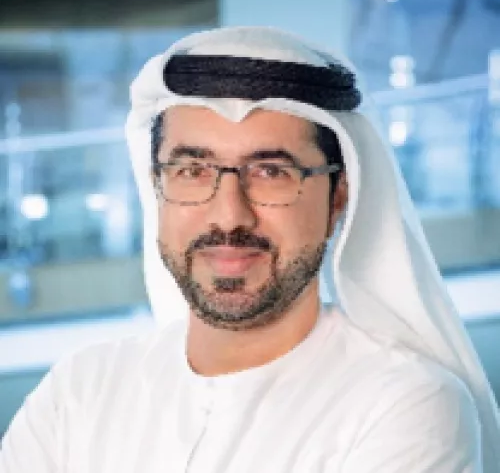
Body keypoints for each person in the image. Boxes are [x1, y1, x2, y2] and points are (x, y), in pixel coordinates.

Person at [1, 26, 499, 472]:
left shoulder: (405, 403)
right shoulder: (81, 389)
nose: (229, 216)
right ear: (157, 187)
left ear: (338, 197)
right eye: (192, 171)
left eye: (271, 172)